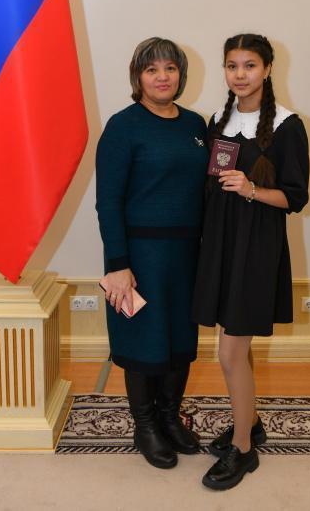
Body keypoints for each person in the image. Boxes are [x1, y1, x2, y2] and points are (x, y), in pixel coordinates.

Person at [192, 34, 309, 490]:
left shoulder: (287, 125)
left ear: (268, 69)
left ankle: (243, 450)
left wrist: (251, 189)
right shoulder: (217, 120)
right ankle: (251, 423)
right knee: (239, 348)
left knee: (229, 353)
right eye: (232, 66)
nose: (239, 75)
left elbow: (295, 198)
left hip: (256, 248)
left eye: (249, 65)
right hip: (220, 244)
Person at [95, 37, 209, 469]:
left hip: (187, 255)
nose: (162, 77)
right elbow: (108, 202)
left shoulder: (196, 125)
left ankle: (168, 418)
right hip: (140, 257)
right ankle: (144, 426)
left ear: (181, 74)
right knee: (143, 340)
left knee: (180, 338)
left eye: (170, 68)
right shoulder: (122, 127)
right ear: (138, 77)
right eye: (152, 69)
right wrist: (118, 265)